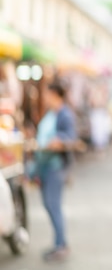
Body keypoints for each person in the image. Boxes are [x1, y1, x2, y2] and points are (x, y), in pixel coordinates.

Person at [34, 80, 77, 262]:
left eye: (47, 94)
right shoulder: (51, 113)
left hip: (56, 166)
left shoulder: (64, 114)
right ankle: (60, 243)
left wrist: (58, 140)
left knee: (53, 205)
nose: (45, 98)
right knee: (49, 205)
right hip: (44, 165)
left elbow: (71, 137)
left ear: (56, 95)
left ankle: (60, 245)